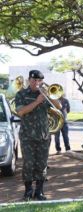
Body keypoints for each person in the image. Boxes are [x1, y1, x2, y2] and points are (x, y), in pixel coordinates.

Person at [15, 69, 62, 201]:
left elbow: (58, 107)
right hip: (27, 136)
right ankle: (28, 191)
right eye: (34, 80)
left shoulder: (45, 93)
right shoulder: (22, 94)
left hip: (43, 136)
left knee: (42, 164)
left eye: (39, 80)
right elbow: (21, 112)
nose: (36, 83)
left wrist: (51, 96)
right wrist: (37, 101)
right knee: (28, 164)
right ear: (29, 80)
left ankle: (39, 191)